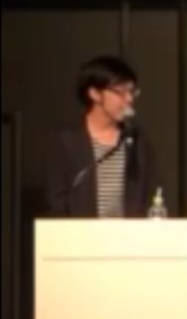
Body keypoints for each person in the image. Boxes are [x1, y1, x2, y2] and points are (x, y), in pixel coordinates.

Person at [42, 55, 157, 218]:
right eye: (120, 92)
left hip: (127, 232)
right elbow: (56, 200)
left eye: (132, 92)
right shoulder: (66, 140)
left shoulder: (135, 139)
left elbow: (149, 195)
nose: (129, 99)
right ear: (94, 93)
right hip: (80, 232)